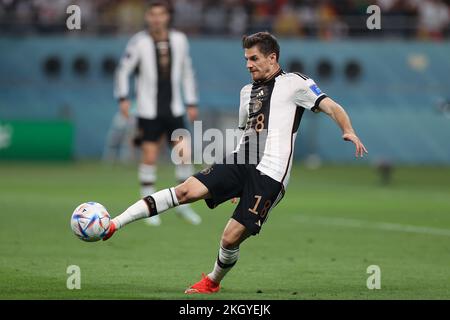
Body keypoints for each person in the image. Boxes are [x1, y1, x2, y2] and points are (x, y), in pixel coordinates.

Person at [105, 32, 368, 294]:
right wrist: (236, 181)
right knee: (186, 190)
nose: (248, 64)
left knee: (230, 238)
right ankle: (116, 223)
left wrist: (349, 129)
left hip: (271, 174)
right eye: (246, 59)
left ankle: (213, 281)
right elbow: (245, 133)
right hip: (242, 160)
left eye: (254, 58)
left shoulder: (295, 84)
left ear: (272, 58)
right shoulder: (246, 92)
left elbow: (331, 106)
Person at [114, 1, 201, 226]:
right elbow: (123, 71)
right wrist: (123, 98)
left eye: (160, 15)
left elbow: (187, 72)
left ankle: (186, 205)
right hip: (148, 110)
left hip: (175, 108)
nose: (156, 19)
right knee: (150, 157)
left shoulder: (180, 40)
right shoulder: (139, 42)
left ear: (167, 17)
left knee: (184, 154)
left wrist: (191, 101)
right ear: (148, 17)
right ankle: (148, 208)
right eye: (152, 15)